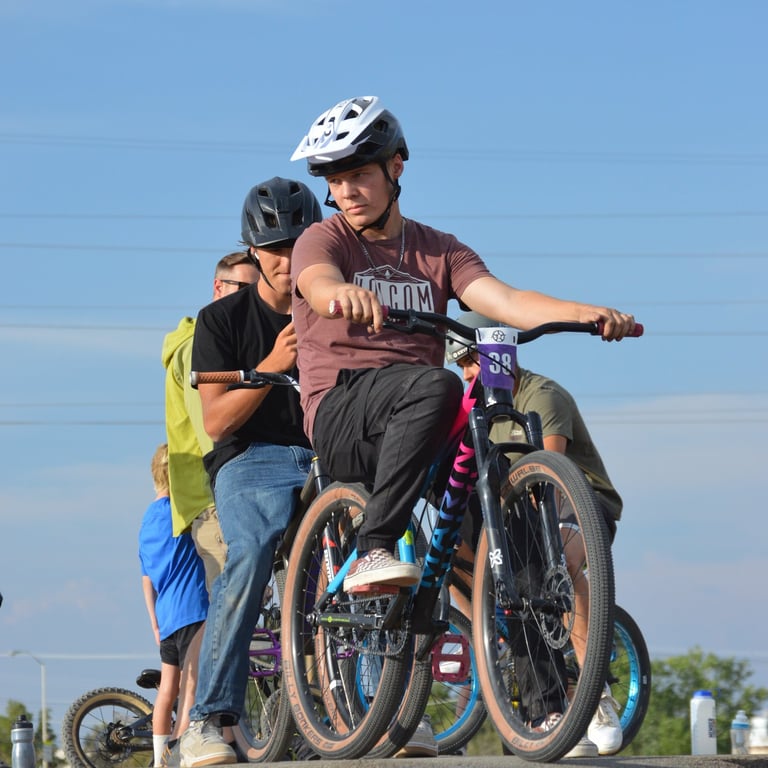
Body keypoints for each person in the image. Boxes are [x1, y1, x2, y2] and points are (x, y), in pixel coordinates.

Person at [288, 94, 637, 603]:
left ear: (395, 167)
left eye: (359, 175)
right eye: (335, 181)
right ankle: (374, 547)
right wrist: (339, 293)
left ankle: (531, 637)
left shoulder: (439, 249)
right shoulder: (325, 239)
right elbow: (317, 282)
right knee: (440, 385)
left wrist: (584, 312)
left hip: (421, 419)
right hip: (342, 411)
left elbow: (507, 300)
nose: (347, 192)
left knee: (498, 483)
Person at [178, 177, 322, 768]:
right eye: (275, 249)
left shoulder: (333, 309)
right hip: (251, 458)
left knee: (375, 548)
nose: (288, 260)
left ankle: (378, 707)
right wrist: (270, 365)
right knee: (252, 550)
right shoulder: (220, 320)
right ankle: (208, 720)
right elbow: (216, 423)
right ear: (253, 252)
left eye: (299, 246)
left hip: (326, 454)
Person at [445, 311, 623, 756]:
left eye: (471, 361)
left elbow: (549, 474)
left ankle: (596, 692)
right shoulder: (472, 408)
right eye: (460, 365)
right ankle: (499, 632)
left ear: (499, 355)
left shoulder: (541, 395)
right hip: (511, 510)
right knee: (450, 553)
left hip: (573, 500)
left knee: (562, 558)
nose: (466, 373)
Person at [159, 251, 259, 767]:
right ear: (218, 288)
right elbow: (213, 427)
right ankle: (200, 729)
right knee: (224, 608)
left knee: (231, 607)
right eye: (242, 288)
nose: (251, 299)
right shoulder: (200, 339)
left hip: (220, 492)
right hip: (214, 493)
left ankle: (214, 728)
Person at [139, 444, 209, 768]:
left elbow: (146, 578)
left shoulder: (146, 521)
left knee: (167, 689)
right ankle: (183, 753)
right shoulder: (182, 510)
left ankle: (158, 760)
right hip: (193, 607)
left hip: (165, 617)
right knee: (192, 685)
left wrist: (154, 623)